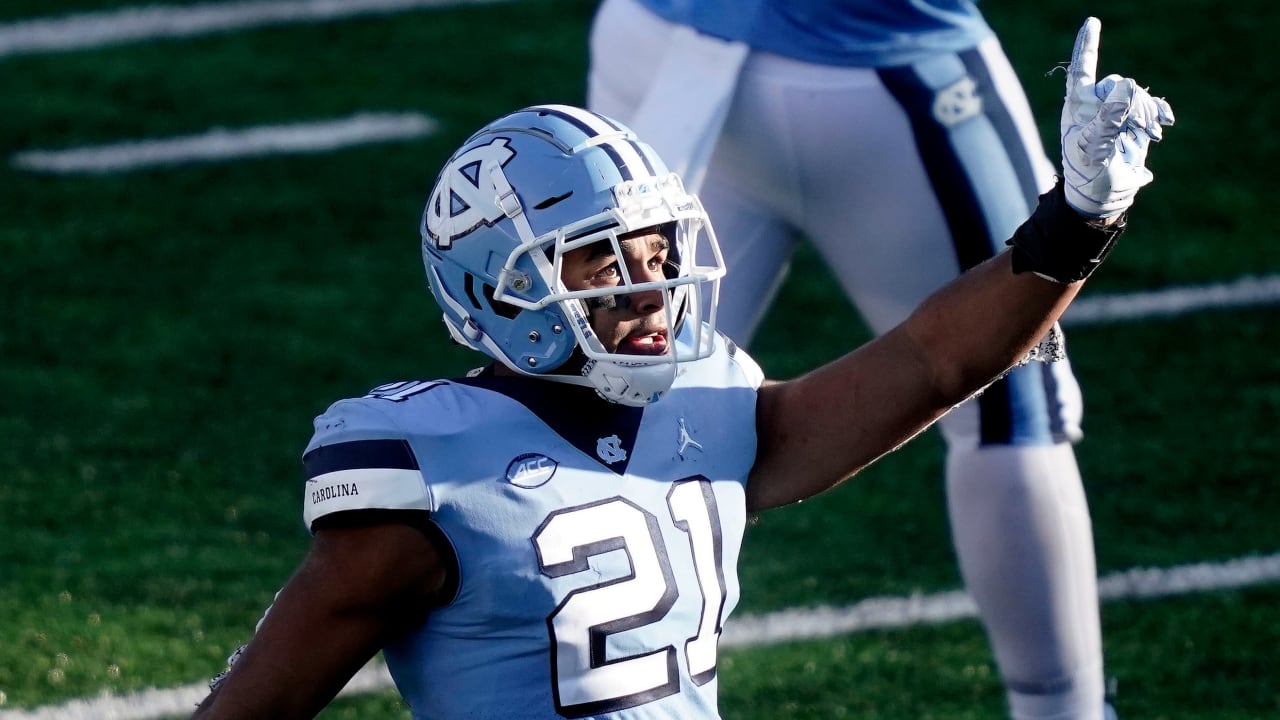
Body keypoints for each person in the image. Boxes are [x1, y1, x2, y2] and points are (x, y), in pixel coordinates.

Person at [191, 18, 1171, 719]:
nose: (647, 284)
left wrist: (1075, 220)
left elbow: (931, 360)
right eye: (597, 257)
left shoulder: (707, 409)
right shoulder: (431, 474)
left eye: (657, 249)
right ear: (493, 287)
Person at [586, 4, 1162, 719]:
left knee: (608, 411)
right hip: (873, 67)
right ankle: (1063, 709)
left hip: (651, 49)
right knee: (1011, 406)